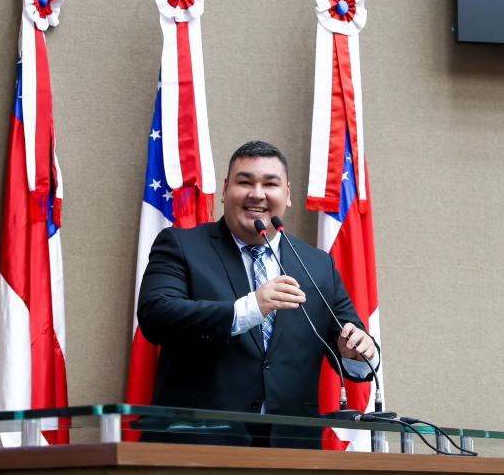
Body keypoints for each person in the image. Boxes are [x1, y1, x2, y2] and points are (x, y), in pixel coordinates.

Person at [137, 140, 377, 448]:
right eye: (245, 182)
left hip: (291, 453)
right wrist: (251, 307)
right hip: (197, 448)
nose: (257, 194)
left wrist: (359, 353)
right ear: (225, 190)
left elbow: (353, 345)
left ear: (287, 195)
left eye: (270, 184)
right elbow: (157, 316)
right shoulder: (181, 245)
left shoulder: (318, 264)